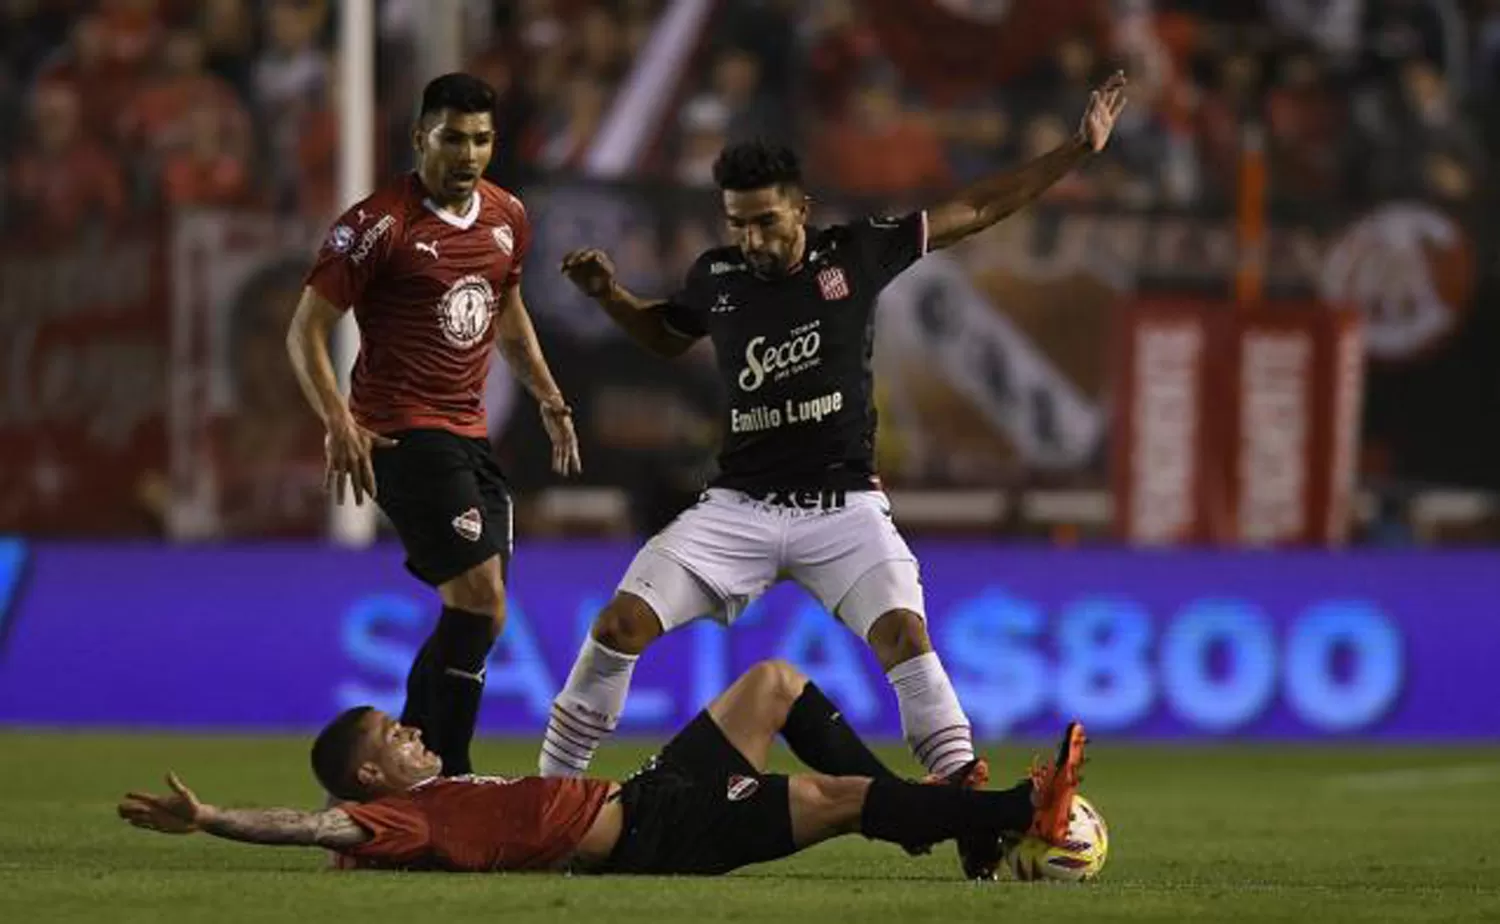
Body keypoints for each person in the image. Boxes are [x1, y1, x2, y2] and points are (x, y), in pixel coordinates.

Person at [539, 72, 1126, 875]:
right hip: (737, 507)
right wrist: (611, 297)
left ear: (802, 210)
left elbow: (978, 208)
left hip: (842, 506)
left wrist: (1074, 150)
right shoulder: (717, 279)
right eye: (739, 225)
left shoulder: (857, 252)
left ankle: (967, 816)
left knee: (905, 638)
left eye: (767, 223)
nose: (753, 240)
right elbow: (668, 337)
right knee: (616, 627)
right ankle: (547, 805)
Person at [117, 661, 1088, 879]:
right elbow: (315, 826)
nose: (416, 732)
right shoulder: (402, 822)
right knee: (833, 800)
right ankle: (1014, 811)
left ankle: (945, 824)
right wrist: (211, 820)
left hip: (642, 793)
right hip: (655, 837)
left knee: (776, 684)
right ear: (370, 776)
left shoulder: (434, 794)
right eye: (396, 735)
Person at [285, 73, 582, 779]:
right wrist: (339, 421)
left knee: (484, 614)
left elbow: (506, 310)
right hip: (400, 433)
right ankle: (447, 766)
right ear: (422, 137)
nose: (468, 153)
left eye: (481, 139)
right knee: (478, 599)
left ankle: (413, 771)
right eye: (453, 138)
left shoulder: (507, 215)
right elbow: (306, 331)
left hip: (469, 435)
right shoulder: (377, 225)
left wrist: (546, 392)